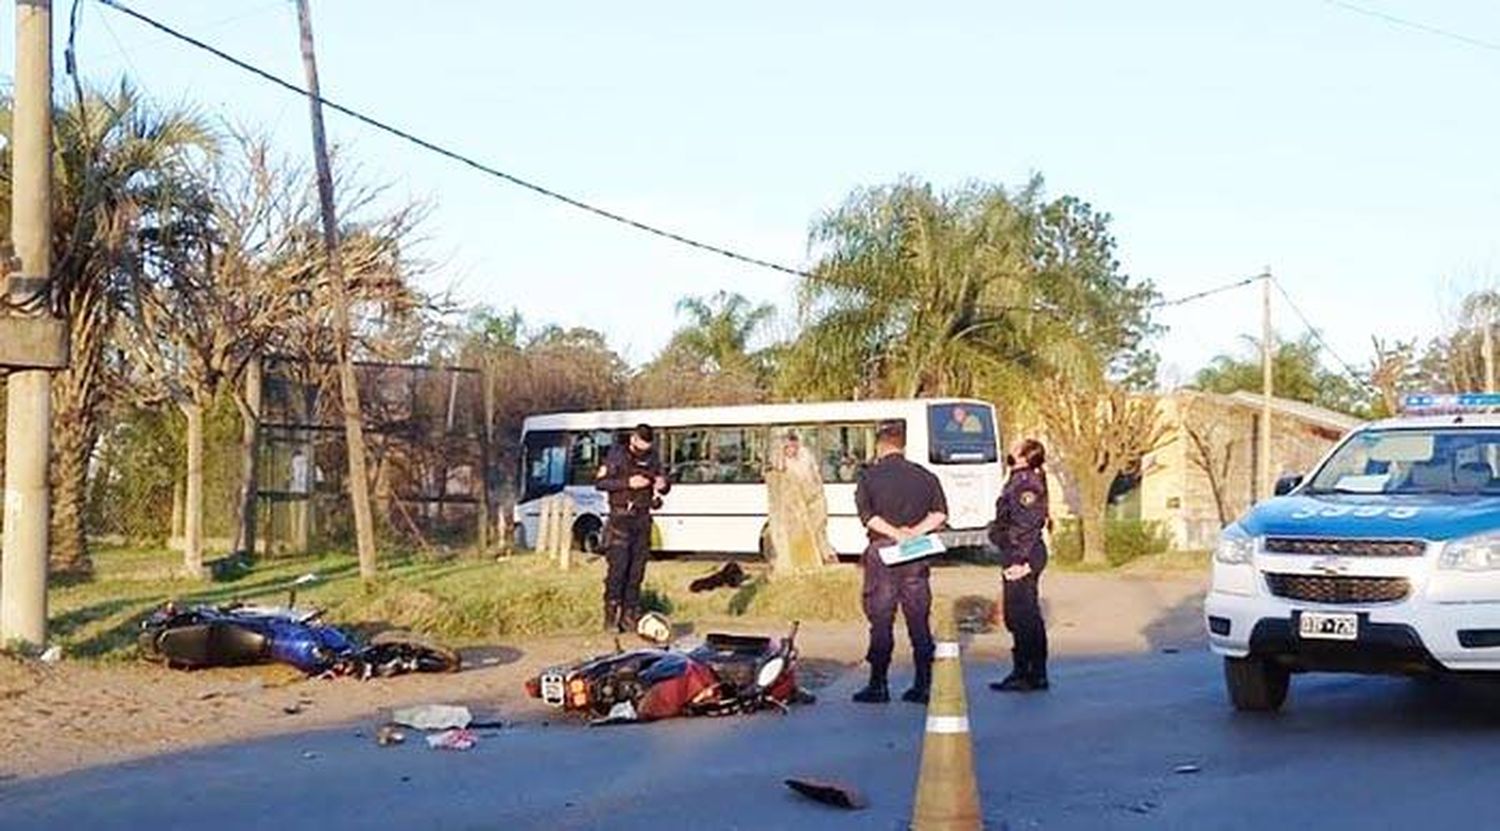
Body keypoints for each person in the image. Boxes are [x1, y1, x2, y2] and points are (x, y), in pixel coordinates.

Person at [852, 420, 949, 704]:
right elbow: (940, 514)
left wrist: (895, 534)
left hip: (883, 552)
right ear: (903, 445)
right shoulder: (925, 476)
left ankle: (878, 684)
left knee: (881, 619)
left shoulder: (869, 477)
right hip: (916, 550)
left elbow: (868, 517)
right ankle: (923, 684)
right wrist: (913, 534)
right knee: (919, 618)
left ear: (880, 446)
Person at [988, 438, 1051, 692]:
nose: (1010, 447)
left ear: (1024, 455)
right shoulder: (1017, 479)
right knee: (1022, 614)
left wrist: (1022, 561)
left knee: (1022, 615)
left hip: (1022, 554)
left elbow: (1027, 524)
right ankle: (1028, 671)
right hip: (1018, 552)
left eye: (1017, 446)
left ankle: (1028, 673)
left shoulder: (1026, 484)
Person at [594, 424, 670, 632]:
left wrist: (663, 485)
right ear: (634, 439)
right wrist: (628, 483)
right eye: (642, 443)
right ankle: (611, 616)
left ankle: (630, 615)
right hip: (620, 519)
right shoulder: (616, 454)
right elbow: (600, 483)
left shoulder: (653, 457)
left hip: (642, 519)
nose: (645, 448)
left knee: (637, 572)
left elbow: (664, 483)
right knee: (618, 570)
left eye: (648, 444)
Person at [764, 431, 837, 573]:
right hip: (792, 509)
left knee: (816, 534)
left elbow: (814, 482)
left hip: (811, 503)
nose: (792, 450)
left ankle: (821, 559)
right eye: (788, 447)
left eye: (794, 446)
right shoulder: (781, 463)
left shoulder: (805, 459)